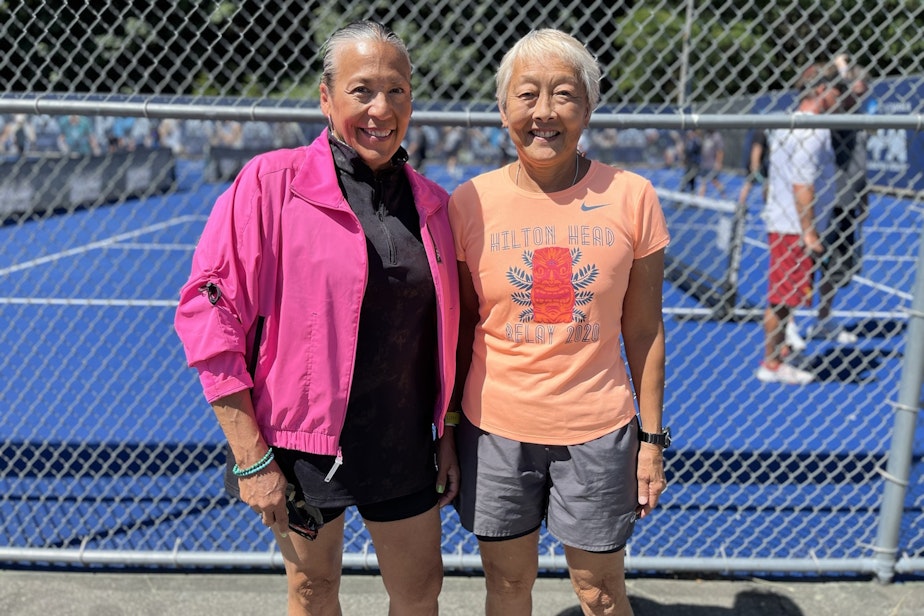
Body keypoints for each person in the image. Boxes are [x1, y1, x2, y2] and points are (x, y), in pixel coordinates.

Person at [174, 21, 460, 615]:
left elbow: (456, 342)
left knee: (419, 594)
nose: (381, 108)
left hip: (403, 443)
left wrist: (448, 432)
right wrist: (251, 456)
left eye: (397, 90)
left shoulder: (436, 206)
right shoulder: (271, 183)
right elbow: (208, 313)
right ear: (326, 97)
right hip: (299, 445)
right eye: (361, 90)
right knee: (311, 590)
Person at [448, 29, 670, 615]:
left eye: (564, 94)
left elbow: (644, 331)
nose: (544, 112)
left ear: (588, 108)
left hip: (598, 429)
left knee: (598, 593)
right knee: (507, 585)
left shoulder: (633, 197)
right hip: (495, 428)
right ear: (503, 110)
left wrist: (651, 441)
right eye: (527, 95)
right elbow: (461, 331)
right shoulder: (468, 202)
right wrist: (447, 430)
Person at [756, 66, 847, 384]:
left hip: (786, 222)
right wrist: (809, 230)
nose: (841, 99)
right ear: (822, 90)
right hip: (793, 227)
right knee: (782, 299)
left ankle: (780, 354)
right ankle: (771, 363)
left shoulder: (789, 122)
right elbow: (802, 184)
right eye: (838, 91)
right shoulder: (813, 130)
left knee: (787, 297)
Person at [697, 129, 726, 197]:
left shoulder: (717, 137)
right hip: (704, 163)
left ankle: (724, 195)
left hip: (712, 164)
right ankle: (700, 198)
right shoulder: (707, 135)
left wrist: (718, 162)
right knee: (703, 181)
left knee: (714, 181)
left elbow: (720, 151)